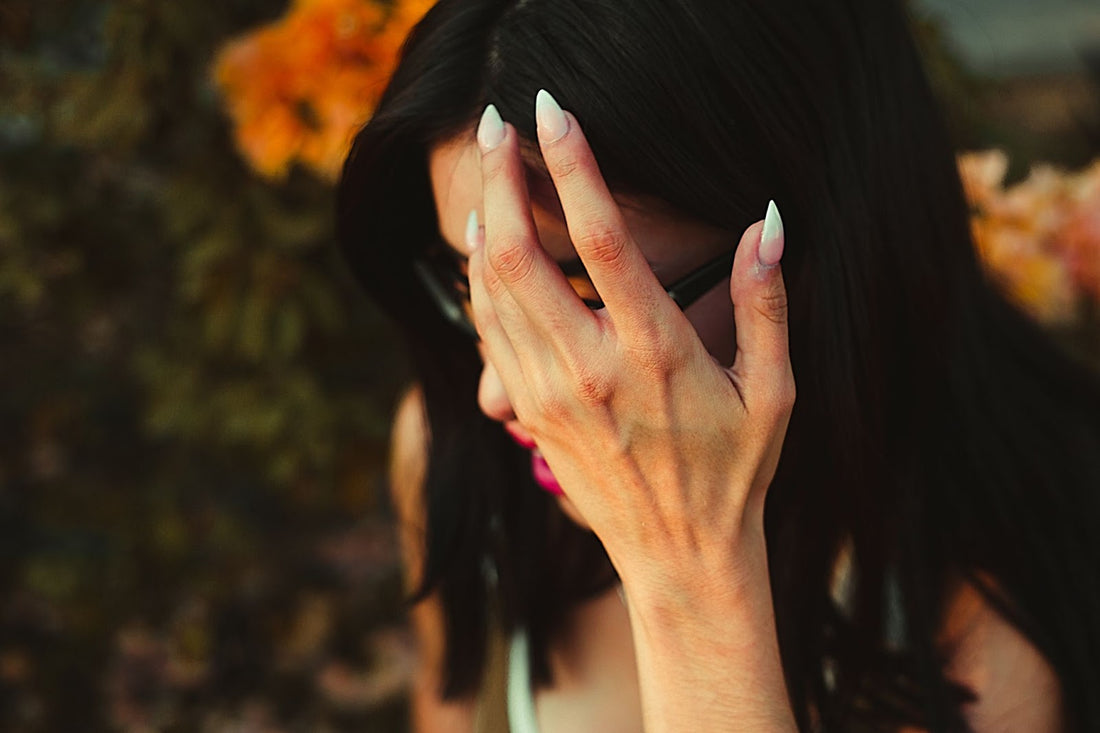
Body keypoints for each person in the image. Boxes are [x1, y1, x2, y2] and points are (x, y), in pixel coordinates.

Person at [336, 0, 1100, 730]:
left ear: (808, 251)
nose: (499, 389)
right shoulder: (455, 456)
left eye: (582, 294)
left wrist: (689, 575)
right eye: (474, 287)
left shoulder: (979, 621)